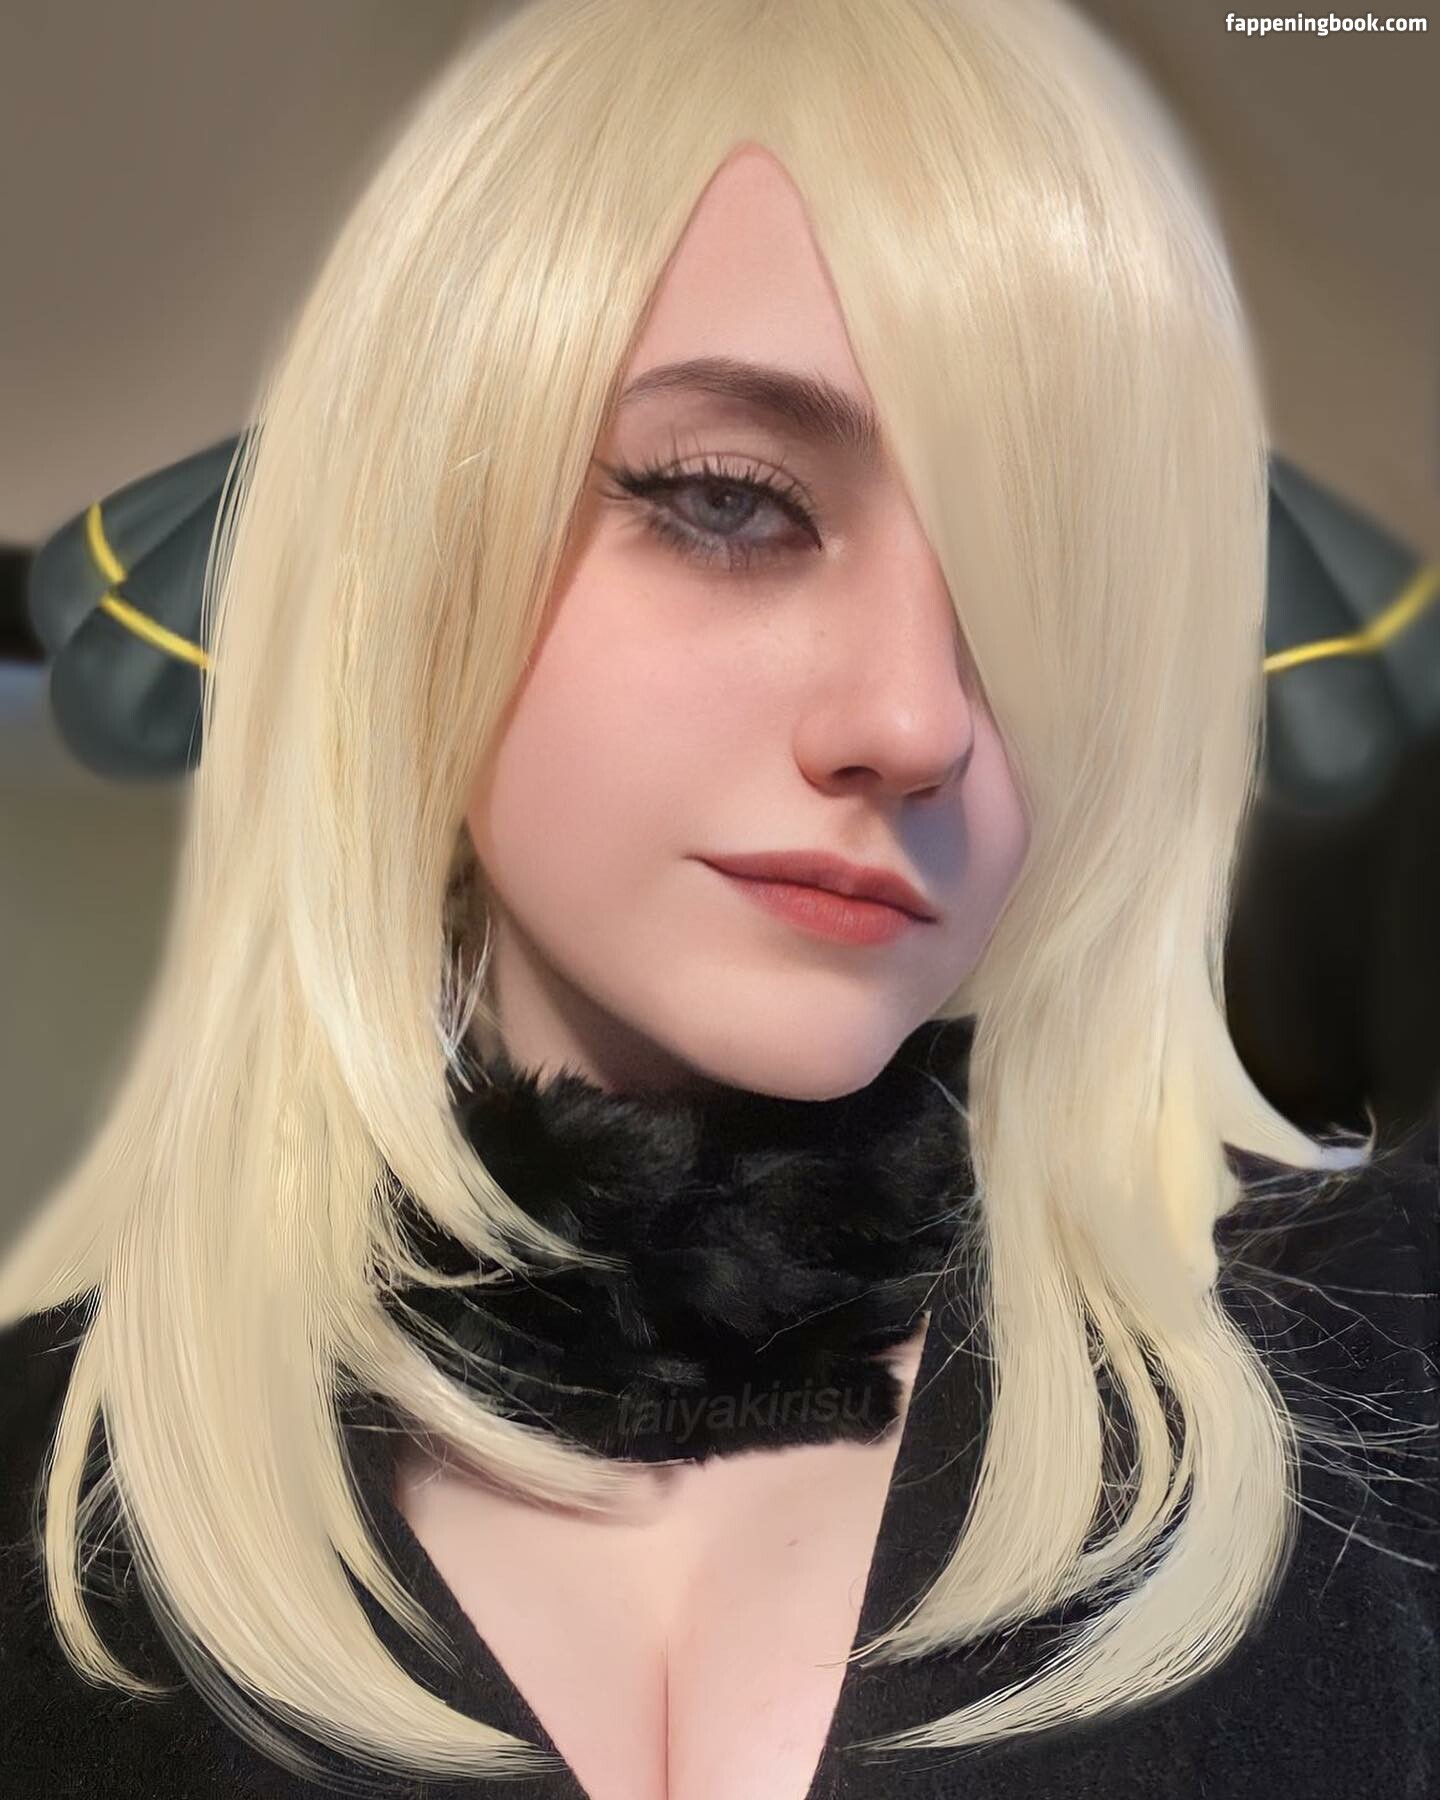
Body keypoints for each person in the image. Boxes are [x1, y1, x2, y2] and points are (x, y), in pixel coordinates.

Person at [2, 1, 1435, 1796]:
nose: (914, 720)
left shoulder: (1387, 1367)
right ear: (414, 540)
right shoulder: (40, 1497)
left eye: (1052, 583)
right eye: (730, 501)